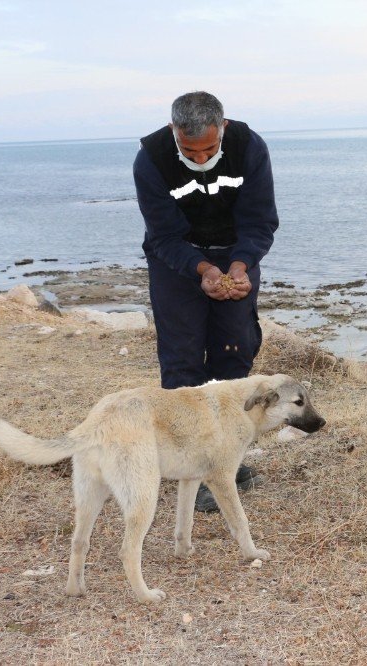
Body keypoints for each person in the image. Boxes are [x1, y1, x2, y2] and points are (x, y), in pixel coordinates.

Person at [134, 91, 279, 512]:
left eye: (210, 149)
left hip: (235, 253)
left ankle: (225, 458)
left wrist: (238, 267)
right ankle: (192, 472)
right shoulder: (152, 160)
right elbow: (163, 236)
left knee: (236, 349)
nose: (200, 159)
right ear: (173, 132)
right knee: (181, 358)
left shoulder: (249, 148)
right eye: (189, 150)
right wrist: (203, 271)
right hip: (177, 260)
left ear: (224, 129)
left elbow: (260, 220)